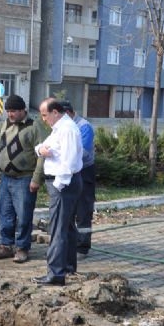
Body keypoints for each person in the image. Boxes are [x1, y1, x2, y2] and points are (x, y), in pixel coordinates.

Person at [0, 94, 47, 264]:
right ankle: (5, 246)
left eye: (13, 111)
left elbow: (42, 155)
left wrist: (36, 178)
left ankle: (22, 248)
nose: (10, 114)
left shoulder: (34, 126)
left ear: (23, 110)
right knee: (4, 213)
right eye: (8, 111)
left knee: (23, 215)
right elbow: (0, 147)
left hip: (24, 178)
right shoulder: (7, 124)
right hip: (6, 178)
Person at [32, 98, 83, 286]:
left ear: (55, 112)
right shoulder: (58, 129)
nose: (44, 119)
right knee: (67, 226)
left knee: (58, 229)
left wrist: (59, 185)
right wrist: (43, 150)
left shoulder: (67, 129)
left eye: (45, 115)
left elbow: (68, 162)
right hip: (63, 184)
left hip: (63, 184)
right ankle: (68, 266)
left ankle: (55, 273)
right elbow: (40, 147)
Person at [61, 100, 95, 255]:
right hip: (69, 171)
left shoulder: (84, 126)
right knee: (69, 208)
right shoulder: (62, 127)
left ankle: (82, 246)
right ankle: (70, 241)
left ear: (69, 112)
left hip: (84, 172)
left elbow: (84, 152)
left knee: (83, 208)